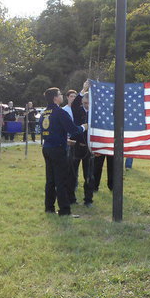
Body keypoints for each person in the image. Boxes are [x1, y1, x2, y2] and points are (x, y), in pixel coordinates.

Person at [42, 87, 86, 216]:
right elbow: (73, 129)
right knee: (61, 180)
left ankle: (49, 208)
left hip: (47, 148)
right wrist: (83, 127)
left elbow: (49, 131)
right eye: (60, 94)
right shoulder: (60, 112)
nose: (62, 96)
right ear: (56, 97)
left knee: (50, 180)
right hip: (58, 149)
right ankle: (65, 210)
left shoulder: (45, 113)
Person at [70, 86, 95, 207]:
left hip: (89, 147)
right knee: (72, 174)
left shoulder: (95, 113)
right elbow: (74, 104)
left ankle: (88, 200)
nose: (86, 105)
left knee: (89, 175)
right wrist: (83, 90)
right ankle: (71, 198)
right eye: (84, 103)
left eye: (88, 103)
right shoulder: (77, 110)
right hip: (77, 146)